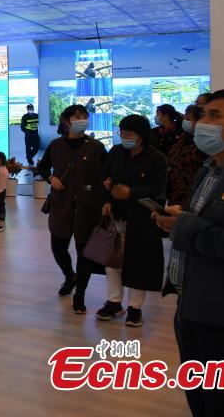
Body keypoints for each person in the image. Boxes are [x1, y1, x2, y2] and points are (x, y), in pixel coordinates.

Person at [153, 89, 224, 416]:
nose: (202, 123)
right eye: (202, 114)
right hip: (190, 305)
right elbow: (202, 223)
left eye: (214, 116)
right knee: (200, 401)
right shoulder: (208, 169)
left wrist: (184, 226)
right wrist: (176, 220)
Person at [97, 114, 167, 327]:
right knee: (112, 262)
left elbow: (157, 188)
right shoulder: (116, 152)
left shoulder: (156, 158)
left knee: (138, 262)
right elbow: (105, 178)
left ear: (142, 134)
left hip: (142, 217)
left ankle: (135, 308)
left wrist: (131, 192)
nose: (124, 136)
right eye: (122, 132)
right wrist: (106, 199)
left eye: (129, 133)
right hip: (115, 216)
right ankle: (114, 302)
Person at [36, 104, 107, 313]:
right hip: (62, 205)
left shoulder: (96, 147)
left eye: (85, 116)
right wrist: (51, 178)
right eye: (77, 116)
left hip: (88, 207)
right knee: (58, 248)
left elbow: (106, 174)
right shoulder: (56, 145)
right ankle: (70, 276)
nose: (82, 120)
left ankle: (80, 295)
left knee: (85, 253)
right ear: (66, 121)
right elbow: (42, 167)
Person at [166, 104, 207, 207]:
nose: (185, 122)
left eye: (188, 119)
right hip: (174, 191)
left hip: (192, 194)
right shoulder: (182, 137)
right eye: (185, 118)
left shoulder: (204, 142)